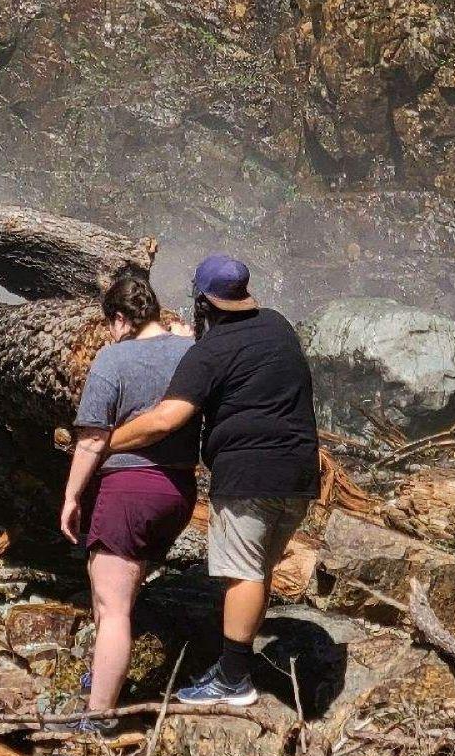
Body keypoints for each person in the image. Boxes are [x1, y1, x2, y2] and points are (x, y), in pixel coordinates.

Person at [108, 253, 317, 707]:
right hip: (300, 474)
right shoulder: (278, 326)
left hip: (249, 476)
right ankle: (234, 665)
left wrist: (107, 441)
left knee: (241, 574)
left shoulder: (212, 350)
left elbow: (167, 418)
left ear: (204, 302)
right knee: (257, 570)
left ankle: (233, 680)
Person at [59, 274, 198, 721]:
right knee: (127, 586)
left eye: (110, 324)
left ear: (120, 319)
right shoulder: (192, 352)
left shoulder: (114, 360)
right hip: (178, 492)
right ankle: (104, 675)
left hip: (129, 489)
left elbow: (93, 440)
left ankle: (97, 718)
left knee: (112, 607)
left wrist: (71, 496)